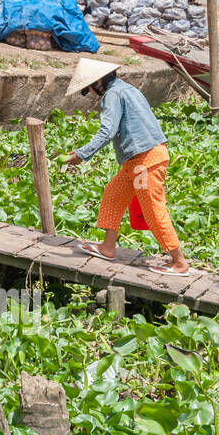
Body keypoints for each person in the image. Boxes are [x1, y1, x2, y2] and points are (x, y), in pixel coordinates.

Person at [61, 58, 190, 276]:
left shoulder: (112, 95)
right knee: (114, 194)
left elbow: (107, 131)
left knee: (153, 208)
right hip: (138, 160)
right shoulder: (127, 89)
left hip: (145, 161)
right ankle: (107, 247)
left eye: (87, 90)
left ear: (97, 82)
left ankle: (179, 262)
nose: (90, 94)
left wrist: (81, 154)